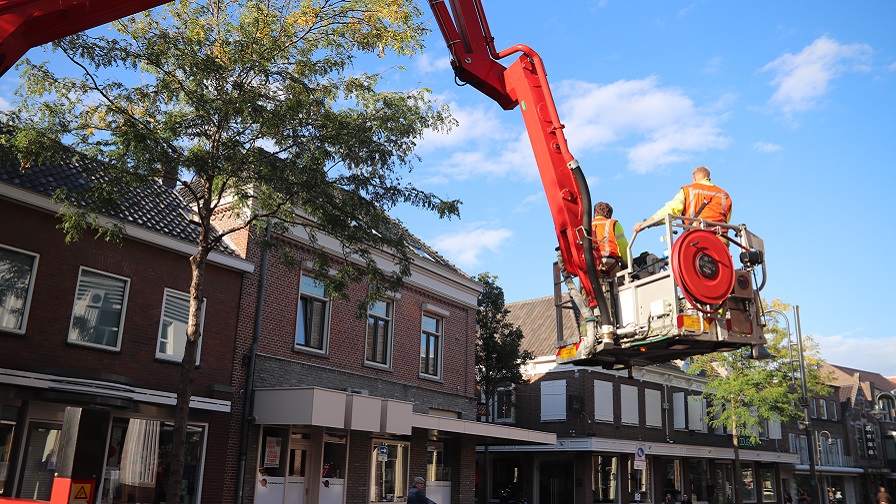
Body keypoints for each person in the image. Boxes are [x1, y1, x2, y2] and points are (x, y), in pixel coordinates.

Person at [633, 166, 731, 233]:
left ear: (694, 178)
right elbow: (726, 220)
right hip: (720, 242)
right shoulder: (724, 195)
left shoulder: (688, 190)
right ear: (709, 178)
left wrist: (648, 223)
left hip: (697, 239)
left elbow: (671, 210)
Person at [591, 201, 629, 274]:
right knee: (623, 281)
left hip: (591, 264)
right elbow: (623, 246)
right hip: (609, 262)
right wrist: (628, 264)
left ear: (595, 213)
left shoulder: (586, 226)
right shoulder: (613, 224)